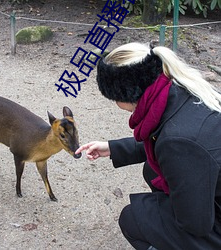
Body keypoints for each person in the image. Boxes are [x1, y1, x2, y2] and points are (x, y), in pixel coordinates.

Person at [75, 42, 221, 250]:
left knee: (133, 218)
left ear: (126, 93)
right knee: (152, 170)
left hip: (212, 222)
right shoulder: (180, 88)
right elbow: (165, 139)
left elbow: (196, 224)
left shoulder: (178, 142)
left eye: (114, 98)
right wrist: (113, 148)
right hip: (212, 187)